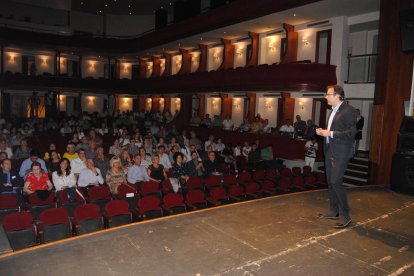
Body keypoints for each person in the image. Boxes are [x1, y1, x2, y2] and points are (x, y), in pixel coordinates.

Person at [316, 85, 356, 229]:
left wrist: (330, 134)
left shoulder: (348, 110)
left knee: (336, 182)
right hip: (330, 150)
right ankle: (334, 211)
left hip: (341, 152)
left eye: (328, 94)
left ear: (337, 95)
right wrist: (324, 132)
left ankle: (346, 216)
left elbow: (351, 133)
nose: (326, 97)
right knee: (330, 182)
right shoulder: (332, 111)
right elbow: (333, 130)